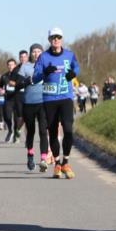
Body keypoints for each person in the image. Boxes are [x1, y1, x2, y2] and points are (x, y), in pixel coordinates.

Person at [33, 28, 80, 179]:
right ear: (49, 40)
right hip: (49, 99)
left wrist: (74, 73)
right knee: (52, 132)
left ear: (62, 39)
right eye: (53, 37)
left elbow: (76, 67)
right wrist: (45, 72)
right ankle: (57, 164)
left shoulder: (69, 55)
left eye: (58, 37)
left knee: (68, 129)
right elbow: (35, 77)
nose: (56, 39)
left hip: (66, 97)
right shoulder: (43, 57)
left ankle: (66, 161)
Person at [18, 43, 50, 172]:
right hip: (29, 103)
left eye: (39, 51)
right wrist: (28, 80)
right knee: (30, 132)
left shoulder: (46, 65)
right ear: (31, 53)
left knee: (43, 131)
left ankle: (43, 159)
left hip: (43, 102)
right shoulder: (25, 67)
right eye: (34, 51)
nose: (36, 54)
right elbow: (18, 85)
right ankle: (30, 154)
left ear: (42, 52)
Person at [0, 58, 19, 142]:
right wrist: (0, 90)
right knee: (7, 116)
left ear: (15, 65)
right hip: (8, 98)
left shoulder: (19, 75)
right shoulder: (4, 76)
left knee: (16, 118)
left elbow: (22, 84)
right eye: (9, 65)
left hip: (17, 98)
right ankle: (10, 130)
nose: (10, 66)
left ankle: (15, 132)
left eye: (12, 65)